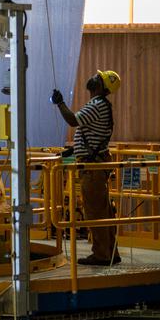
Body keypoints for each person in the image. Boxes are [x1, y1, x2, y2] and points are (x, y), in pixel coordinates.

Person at [52, 69, 122, 266]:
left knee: (95, 211)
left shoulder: (97, 105)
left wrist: (60, 103)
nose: (93, 77)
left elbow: (73, 120)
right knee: (104, 210)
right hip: (96, 163)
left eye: (98, 77)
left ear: (102, 86)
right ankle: (111, 252)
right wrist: (73, 152)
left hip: (93, 167)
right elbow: (91, 136)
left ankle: (101, 255)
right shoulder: (100, 105)